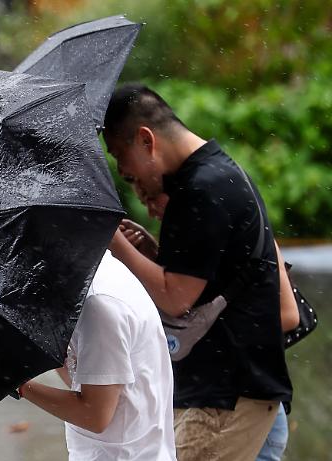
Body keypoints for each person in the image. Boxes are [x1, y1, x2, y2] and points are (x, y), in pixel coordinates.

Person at [103, 83, 293, 461]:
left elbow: (176, 298)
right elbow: (208, 281)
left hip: (225, 399)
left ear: (145, 139)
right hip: (240, 392)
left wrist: (115, 244)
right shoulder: (216, 174)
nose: (125, 172)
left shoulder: (202, 189)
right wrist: (150, 252)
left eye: (121, 159)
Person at [120, 192, 298, 461]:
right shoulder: (197, 247)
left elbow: (288, 317)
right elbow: (192, 310)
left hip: (246, 407)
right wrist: (151, 254)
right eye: (145, 201)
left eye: (154, 199)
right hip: (210, 401)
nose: (151, 210)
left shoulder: (250, 241)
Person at [17, 250, 177, 461]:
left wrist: (19, 385)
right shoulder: (105, 270)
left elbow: (94, 415)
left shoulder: (98, 306)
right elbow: (87, 382)